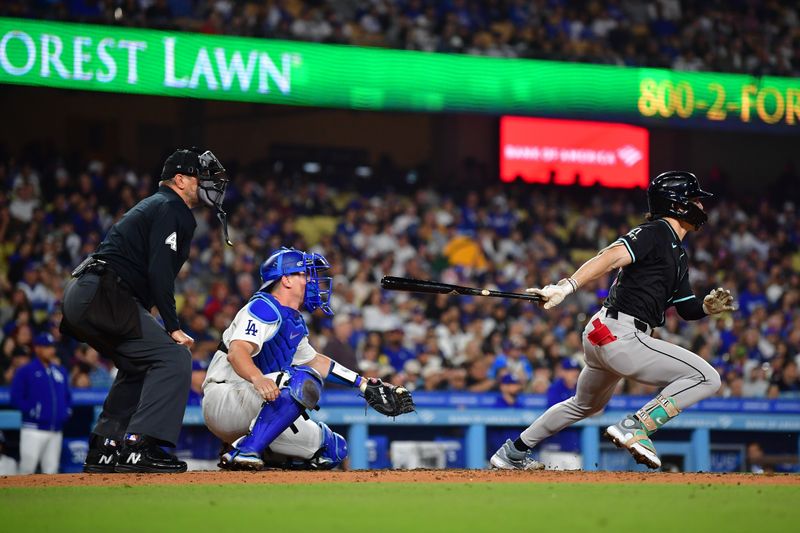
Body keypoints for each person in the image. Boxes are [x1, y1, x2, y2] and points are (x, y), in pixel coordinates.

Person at [491, 171, 734, 470]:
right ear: (679, 205)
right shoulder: (655, 232)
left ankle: (513, 452)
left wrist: (707, 309)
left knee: (585, 405)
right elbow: (610, 256)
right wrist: (567, 286)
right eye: (696, 200)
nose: (702, 208)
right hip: (622, 334)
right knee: (708, 378)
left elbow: (686, 309)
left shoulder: (678, 254)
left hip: (604, 333)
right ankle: (638, 425)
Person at [60, 148, 230, 474]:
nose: (208, 182)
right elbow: (160, 272)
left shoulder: (157, 205)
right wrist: (173, 325)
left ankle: (105, 447)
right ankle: (140, 445)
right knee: (174, 356)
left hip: (86, 293)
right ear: (179, 180)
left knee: (139, 362)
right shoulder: (172, 206)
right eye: (200, 175)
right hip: (104, 293)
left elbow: (147, 276)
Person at [202, 247, 413, 470]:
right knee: (303, 380)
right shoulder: (263, 307)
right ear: (286, 280)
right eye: (305, 274)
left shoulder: (292, 321)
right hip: (226, 397)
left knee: (333, 449)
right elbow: (238, 351)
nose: (312, 281)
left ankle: (253, 455)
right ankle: (246, 451)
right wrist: (257, 378)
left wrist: (362, 384)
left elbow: (315, 361)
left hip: (259, 404)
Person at [10, 333, 72, 474]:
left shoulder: (60, 371)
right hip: (33, 429)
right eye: (46, 347)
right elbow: (16, 397)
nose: (51, 350)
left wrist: (66, 411)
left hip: (55, 430)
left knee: (51, 472)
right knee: (27, 470)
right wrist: (32, 411)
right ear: (37, 348)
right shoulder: (25, 371)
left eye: (52, 347)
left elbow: (67, 396)